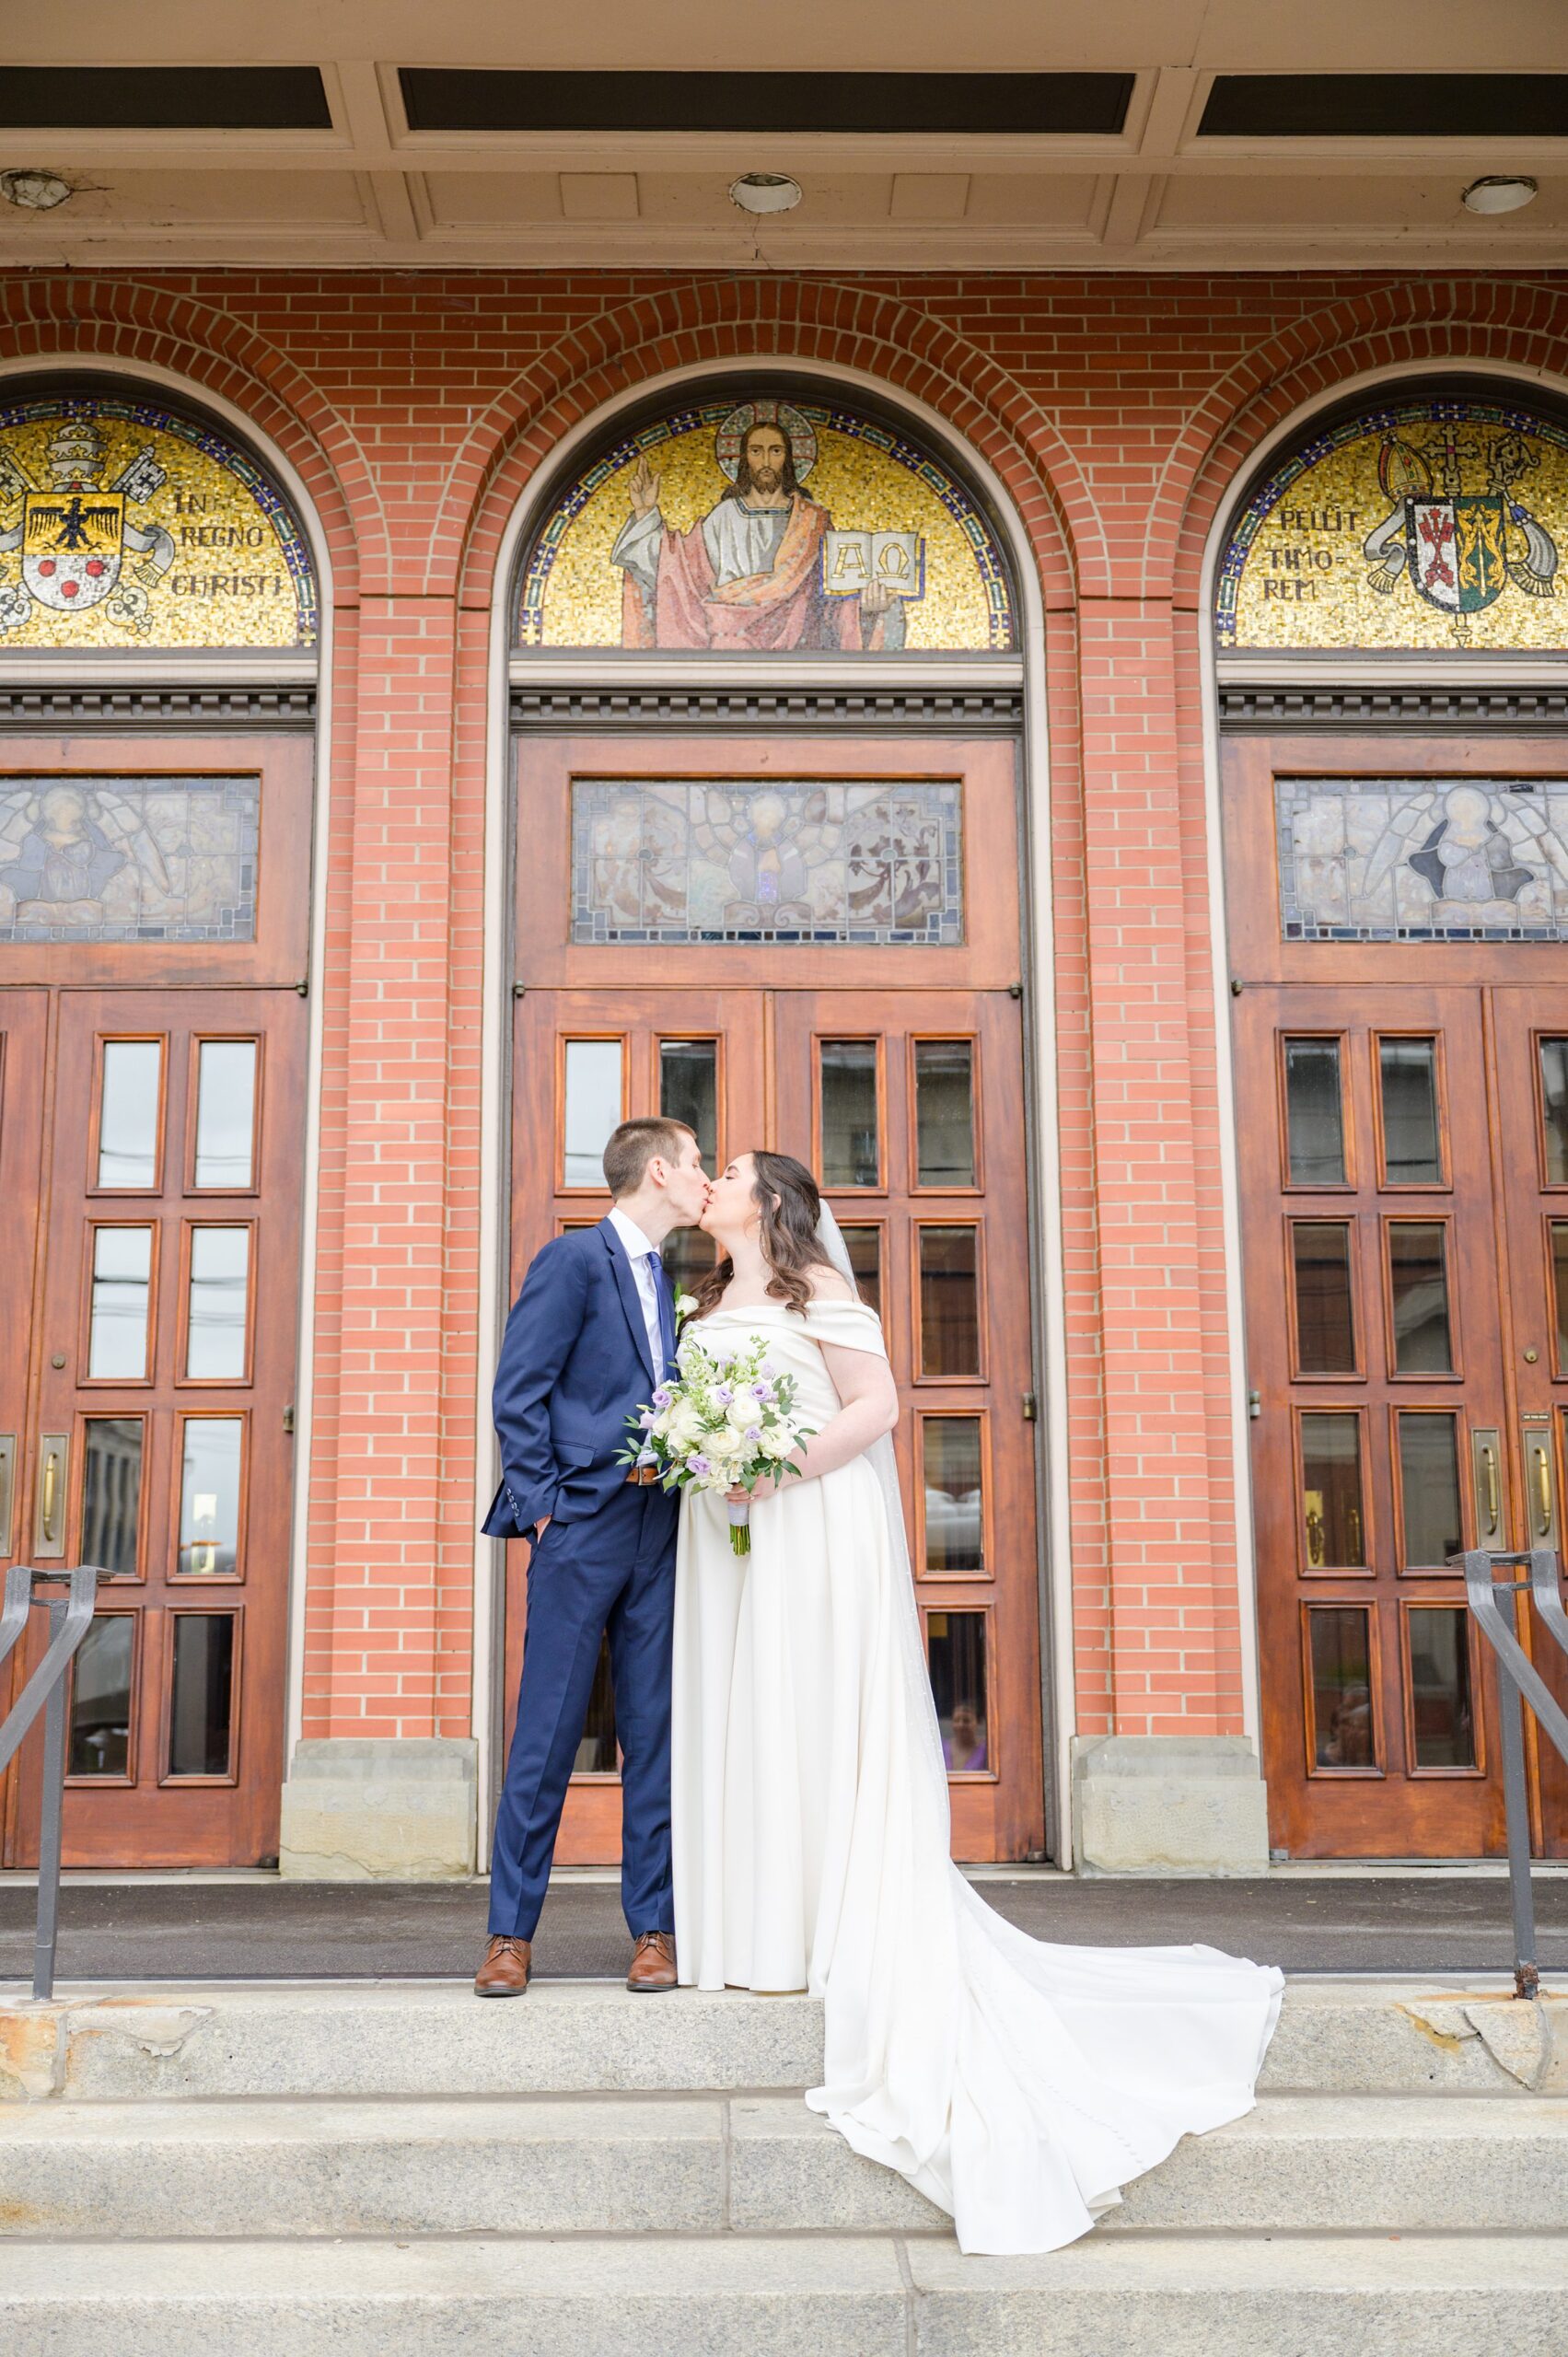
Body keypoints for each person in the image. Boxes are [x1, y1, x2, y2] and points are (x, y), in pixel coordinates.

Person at [671, 1149, 1283, 2256]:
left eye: (729, 1174)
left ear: (768, 1204)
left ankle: (820, 1923)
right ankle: (755, 1923)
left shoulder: (824, 1296)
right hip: (728, 1537)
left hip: (813, 1525)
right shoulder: (706, 1300)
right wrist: (709, 1459)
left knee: (815, 1713)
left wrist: (779, 1462)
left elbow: (878, 1405)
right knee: (749, 1717)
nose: (710, 1182)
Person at [476, 1116, 710, 1998]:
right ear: (657, 1171)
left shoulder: (675, 1280)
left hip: (661, 1530)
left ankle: (654, 1931)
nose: (703, 1178)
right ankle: (508, 1935)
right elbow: (519, 1391)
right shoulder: (573, 1261)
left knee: (653, 1735)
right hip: (582, 1530)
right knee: (545, 1737)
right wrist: (544, 1514)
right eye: (694, 1164)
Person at [610, 406, 901, 653]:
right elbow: (676, 570)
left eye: (775, 451)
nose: (765, 462)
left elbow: (828, 604)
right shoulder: (724, 516)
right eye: (756, 451)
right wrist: (644, 512)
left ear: (788, 458)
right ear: (743, 458)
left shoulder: (812, 523)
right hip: (728, 653)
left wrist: (866, 609)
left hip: (798, 656)